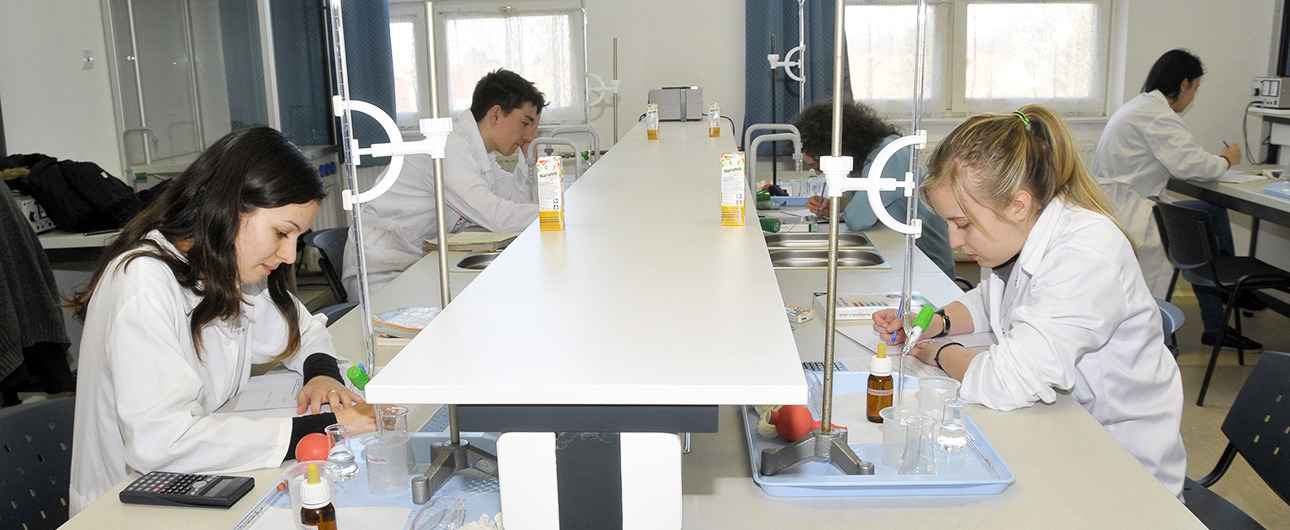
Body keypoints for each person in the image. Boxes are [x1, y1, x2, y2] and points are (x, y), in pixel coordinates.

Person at [872, 105, 1187, 500]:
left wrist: (940, 353)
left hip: (1124, 469)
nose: (954, 241)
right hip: (1066, 432)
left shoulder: (1086, 255)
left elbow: (1006, 381)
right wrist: (936, 321)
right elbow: (992, 300)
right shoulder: (1023, 233)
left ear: (1017, 205)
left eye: (963, 224)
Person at [66, 127, 376, 515]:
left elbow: (304, 330)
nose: (289, 255)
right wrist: (324, 429)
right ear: (229, 208)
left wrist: (321, 375)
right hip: (121, 508)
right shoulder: (143, 283)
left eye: (296, 237)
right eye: (281, 233)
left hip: (193, 485)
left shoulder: (224, 267)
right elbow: (162, 442)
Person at [1091, 49, 1259, 349]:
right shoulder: (1157, 116)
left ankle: (1221, 307)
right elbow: (1194, 166)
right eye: (1195, 88)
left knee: (1202, 227)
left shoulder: (1140, 107)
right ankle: (1229, 289)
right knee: (1211, 216)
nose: (1193, 96)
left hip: (1121, 205)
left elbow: (1180, 160)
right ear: (1184, 84)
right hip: (1132, 211)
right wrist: (1227, 159)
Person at [343, 69, 547, 298]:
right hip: (380, 269)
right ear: (496, 115)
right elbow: (496, 217)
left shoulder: (480, 153)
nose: (529, 136)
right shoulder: (449, 148)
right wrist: (559, 213)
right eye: (525, 124)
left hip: (414, 261)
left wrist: (528, 158)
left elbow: (514, 200)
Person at [795, 100, 956, 279]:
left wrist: (847, 206)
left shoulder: (888, 156)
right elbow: (855, 192)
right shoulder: (869, 152)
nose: (818, 172)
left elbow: (858, 219)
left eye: (818, 164)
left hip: (928, 264)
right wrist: (835, 204)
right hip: (901, 252)